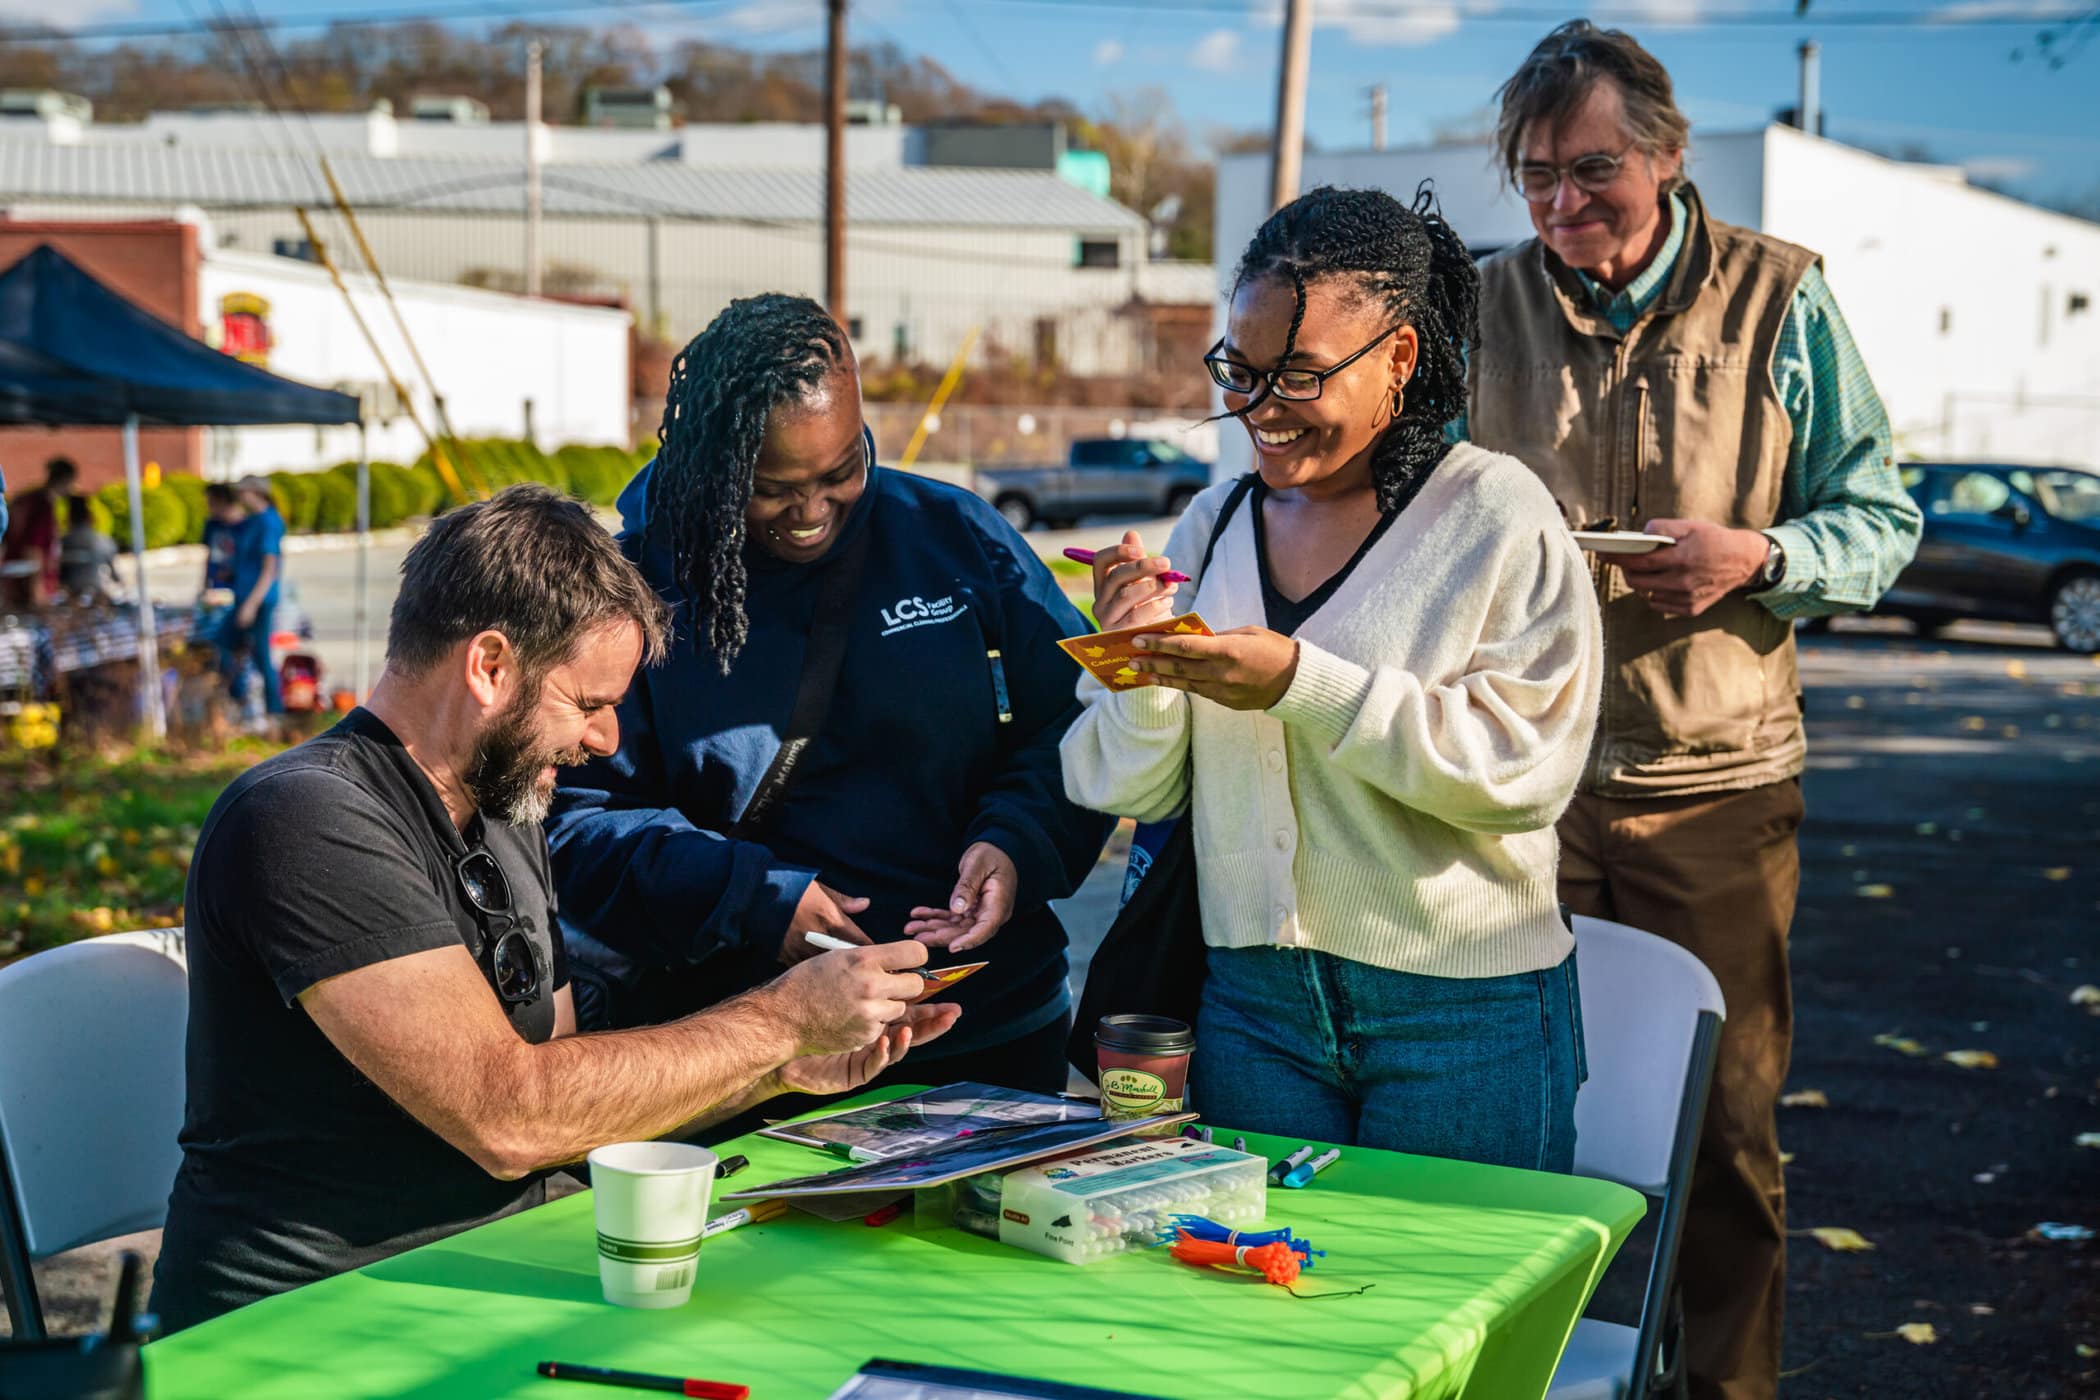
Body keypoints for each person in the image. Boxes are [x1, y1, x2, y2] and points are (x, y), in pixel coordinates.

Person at [151, 484, 958, 1333]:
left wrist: (780, 1069)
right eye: (590, 704)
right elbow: (509, 1116)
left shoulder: (502, 809)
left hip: (500, 1276)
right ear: (490, 666)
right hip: (315, 1324)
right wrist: (781, 1024)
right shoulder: (303, 819)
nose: (606, 742)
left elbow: (567, 1098)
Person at [1461, 23, 1922, 1399]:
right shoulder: (1480, 304)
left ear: (1668, 155)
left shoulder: (1783, 300)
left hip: (1714, 788)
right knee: (1527, 1131)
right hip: (1516, 791)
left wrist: (1760, 558)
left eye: (1591, 169)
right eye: (1535, 175)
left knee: (1720, 1141)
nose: (1559, 205)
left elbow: (1883, 515)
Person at [1060, 187, 1602, 1169]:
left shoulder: (1494, 513)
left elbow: (1526, 774)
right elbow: (1126, 789)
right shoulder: (1213, 525)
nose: (1257, 409)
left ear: (1398, 356)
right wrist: (1135, 665)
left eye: (1299, 376)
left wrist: (1298, 684)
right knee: (1258, 1310)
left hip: (1460, 1022)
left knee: (1449, 1312)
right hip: (1251, 1011)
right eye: (1241, 370)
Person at [548, 293, 1111, 1095]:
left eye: (843, 472)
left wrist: (1017, 845)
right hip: (757, 1061)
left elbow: (1073, 724)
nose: (812, 511)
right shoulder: (631, 586)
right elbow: (573, 820)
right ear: (712, 467)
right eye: (772, 488)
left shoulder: (956, 538)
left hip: (989, 1031)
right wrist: (753, 900)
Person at [227, 474, 285, 716]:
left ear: (255, 493)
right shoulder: (253, 521)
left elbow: (269, 569)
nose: (240, 498)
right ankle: (241, 700)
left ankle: (275, 710)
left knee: (261, 654)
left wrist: (251, 604)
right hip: (243, 595)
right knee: (231, 646)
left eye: (243, 493)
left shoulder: (269, 522)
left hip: (259, 599)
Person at [0, 457, 78, 608]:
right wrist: (38, 586)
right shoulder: (42, 505)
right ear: (66, 480)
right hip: (27, 581)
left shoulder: (26, 498)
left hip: (14, 577)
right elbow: (34, 547)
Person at [56, 495, 120, 604]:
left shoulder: (60, 542)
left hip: (68, 597)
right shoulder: (103, 541)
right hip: (95, 593)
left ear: (68, 518)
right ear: (91, 518)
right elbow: (114, 575)